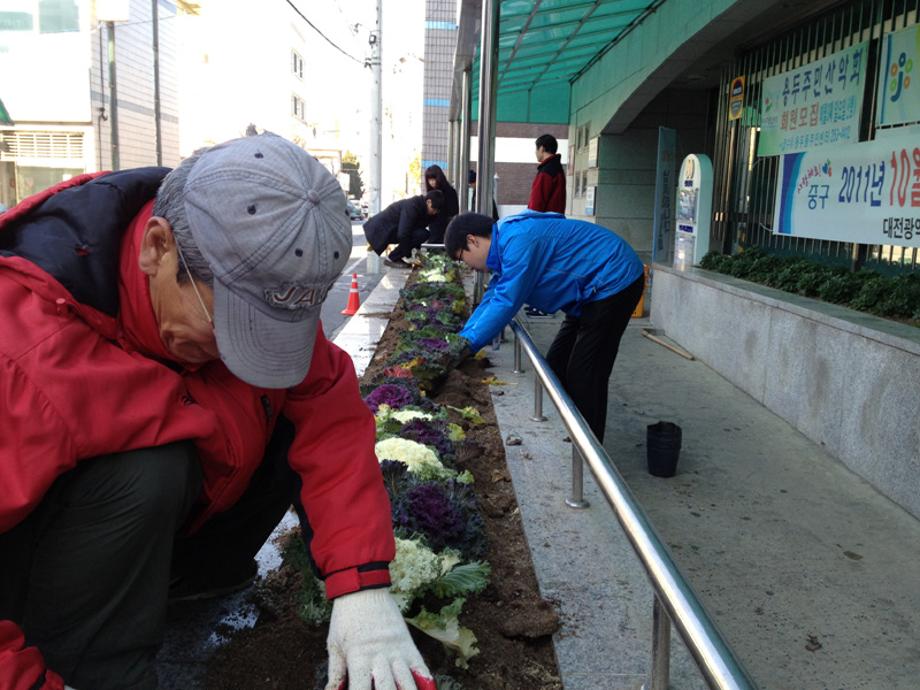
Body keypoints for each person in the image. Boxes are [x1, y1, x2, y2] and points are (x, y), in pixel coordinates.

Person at [0, 133, 435, 690]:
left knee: (281, 407)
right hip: (35, 579)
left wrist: (362, 588)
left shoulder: (239, 280)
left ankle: (192, 581)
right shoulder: (21, 350)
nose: (241, 350)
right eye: (229, 324)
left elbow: (332, 420)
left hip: (181, 535)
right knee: (147, 470)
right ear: (157, 248)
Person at [446, 210, 644, 443]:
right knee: (555, 365)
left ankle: (588, 452)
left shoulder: (518, 241)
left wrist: (467, 345)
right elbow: (493, 296)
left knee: (585, 372)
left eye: (462, 258)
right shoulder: (506, 240)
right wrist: (462, 340)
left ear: (472, 240)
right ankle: (571, 429)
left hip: (614, 281)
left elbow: (506, 301)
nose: (468, 266)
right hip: (586, 292)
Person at [363, 190, 443, 267]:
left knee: (424, 234)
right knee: (421, 234)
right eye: (434, 209)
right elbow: (403, 233)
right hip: (379, 230)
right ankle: (392, 258)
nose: (435, 212)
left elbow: (416, 231)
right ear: (428, 202)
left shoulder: (424, 209)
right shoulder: (412, 206)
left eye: (437, 210)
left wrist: (416, 253)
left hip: (392, 229)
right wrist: (408, 255)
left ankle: (396, 257)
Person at [527, 134, 566, 214]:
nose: (535, 152)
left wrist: (531, 219)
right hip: (556, 220)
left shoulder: (546, 171)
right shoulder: (558, 168)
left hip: (543, 221)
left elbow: (537, 202)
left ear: (541, 148)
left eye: (536, 149)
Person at [423, 164, 458, 244]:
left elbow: (453, 212)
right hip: (434, 229)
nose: (431, 182)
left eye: (433, 179)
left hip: (446, 228)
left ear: (439, 178)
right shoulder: (430, 193)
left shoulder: (450, 192)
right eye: (429, 180)